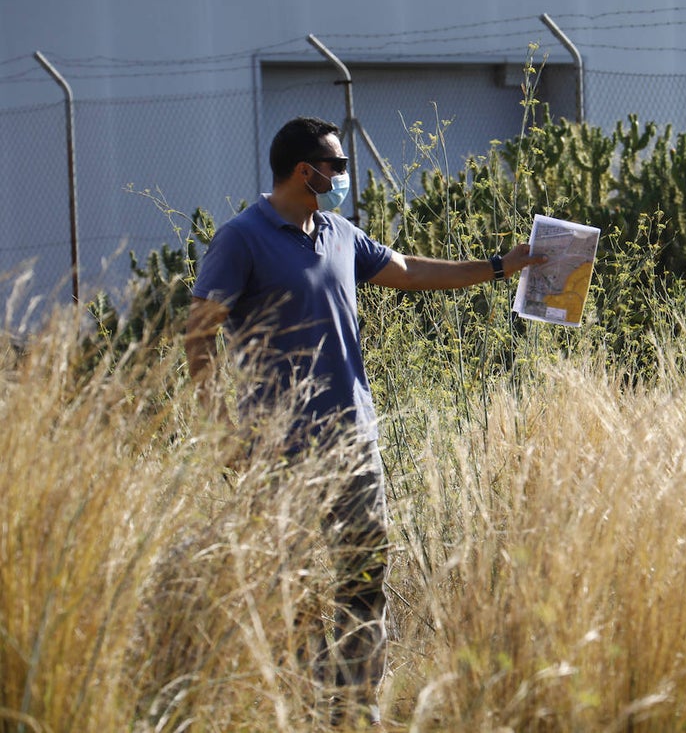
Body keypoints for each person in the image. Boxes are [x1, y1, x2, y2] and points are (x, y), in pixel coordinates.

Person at [184, 116, 543, 726]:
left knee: (363, 576)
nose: (345, 176)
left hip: (355, 441)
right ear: (307, 171)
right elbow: (198, 336)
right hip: (281, 450)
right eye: (338, 166)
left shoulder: (340, 231)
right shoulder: (241, 238)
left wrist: (498, 266)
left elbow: (409, 272)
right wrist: (224, 430)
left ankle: (354, 711)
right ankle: (301, 705)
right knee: (291, 588)